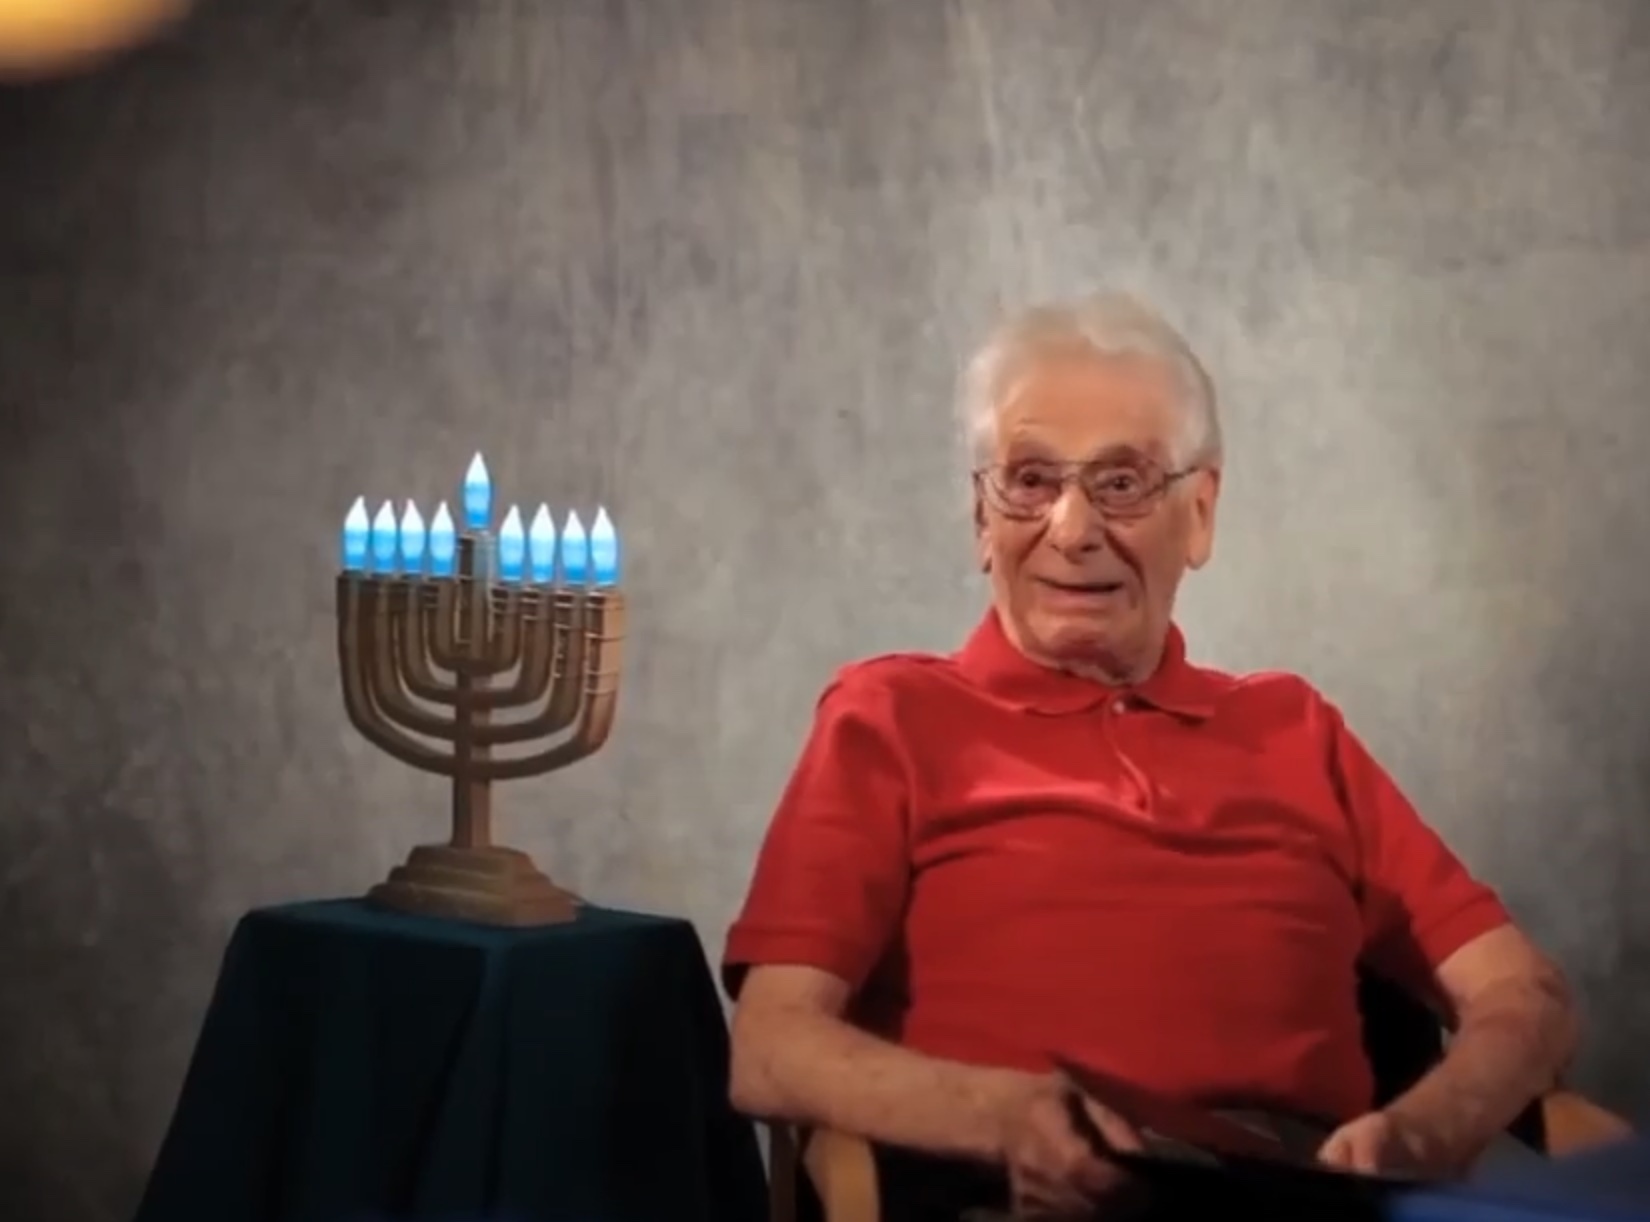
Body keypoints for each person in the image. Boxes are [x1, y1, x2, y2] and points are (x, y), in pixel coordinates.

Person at [721, 292, 1579, 1221]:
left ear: (1199, 514)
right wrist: (1005, 1118)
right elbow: (771, 1047)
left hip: (1304, 1187)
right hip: (1011, 1186)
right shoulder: (888, 717)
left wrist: (1427, 1134)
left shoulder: (1296, 729)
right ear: (981, 517)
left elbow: (1522, 994)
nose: (1073, 528)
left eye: (1122, 483)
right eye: (1030, 480)